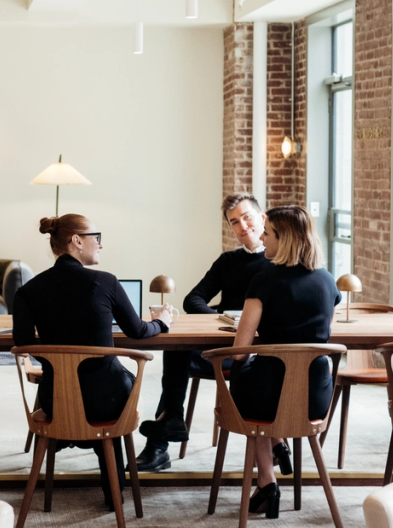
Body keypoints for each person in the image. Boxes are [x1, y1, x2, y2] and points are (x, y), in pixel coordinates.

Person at [13, 213, 175, 511]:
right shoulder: (105, 282)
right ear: (77, 241)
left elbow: (22, 344)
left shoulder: (28, 291)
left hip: (55, 401)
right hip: (107, 402)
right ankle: (115, 490)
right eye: (96, 238)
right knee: (114, 379)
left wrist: (56, 358)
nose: (100, 245)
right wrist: (162, 322)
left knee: (89, 383)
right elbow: (138, 331)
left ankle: (53, 461)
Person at [136, 192, 275, 472]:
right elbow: (193, 299)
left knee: (179, 350)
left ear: (262, 218)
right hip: (223, 345)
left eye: (247, 218)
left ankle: (162, 436)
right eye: (234, 222)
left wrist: (248, 326)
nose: (242, 226)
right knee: (177, 346)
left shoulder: (279, 263)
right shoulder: (228, 261)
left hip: (258, 357)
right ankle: (169, 424)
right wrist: (223, 319)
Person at [228, 205, 340, 519]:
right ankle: (276, 449)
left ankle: (267, 482)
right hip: (315, 399)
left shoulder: (264, 280)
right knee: (268, 382)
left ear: (285, 239)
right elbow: (321, 335)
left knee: (245, 372)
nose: (261, 239)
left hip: (267, 400)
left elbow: (239, 350)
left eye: (267, 233)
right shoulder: (327, 282)